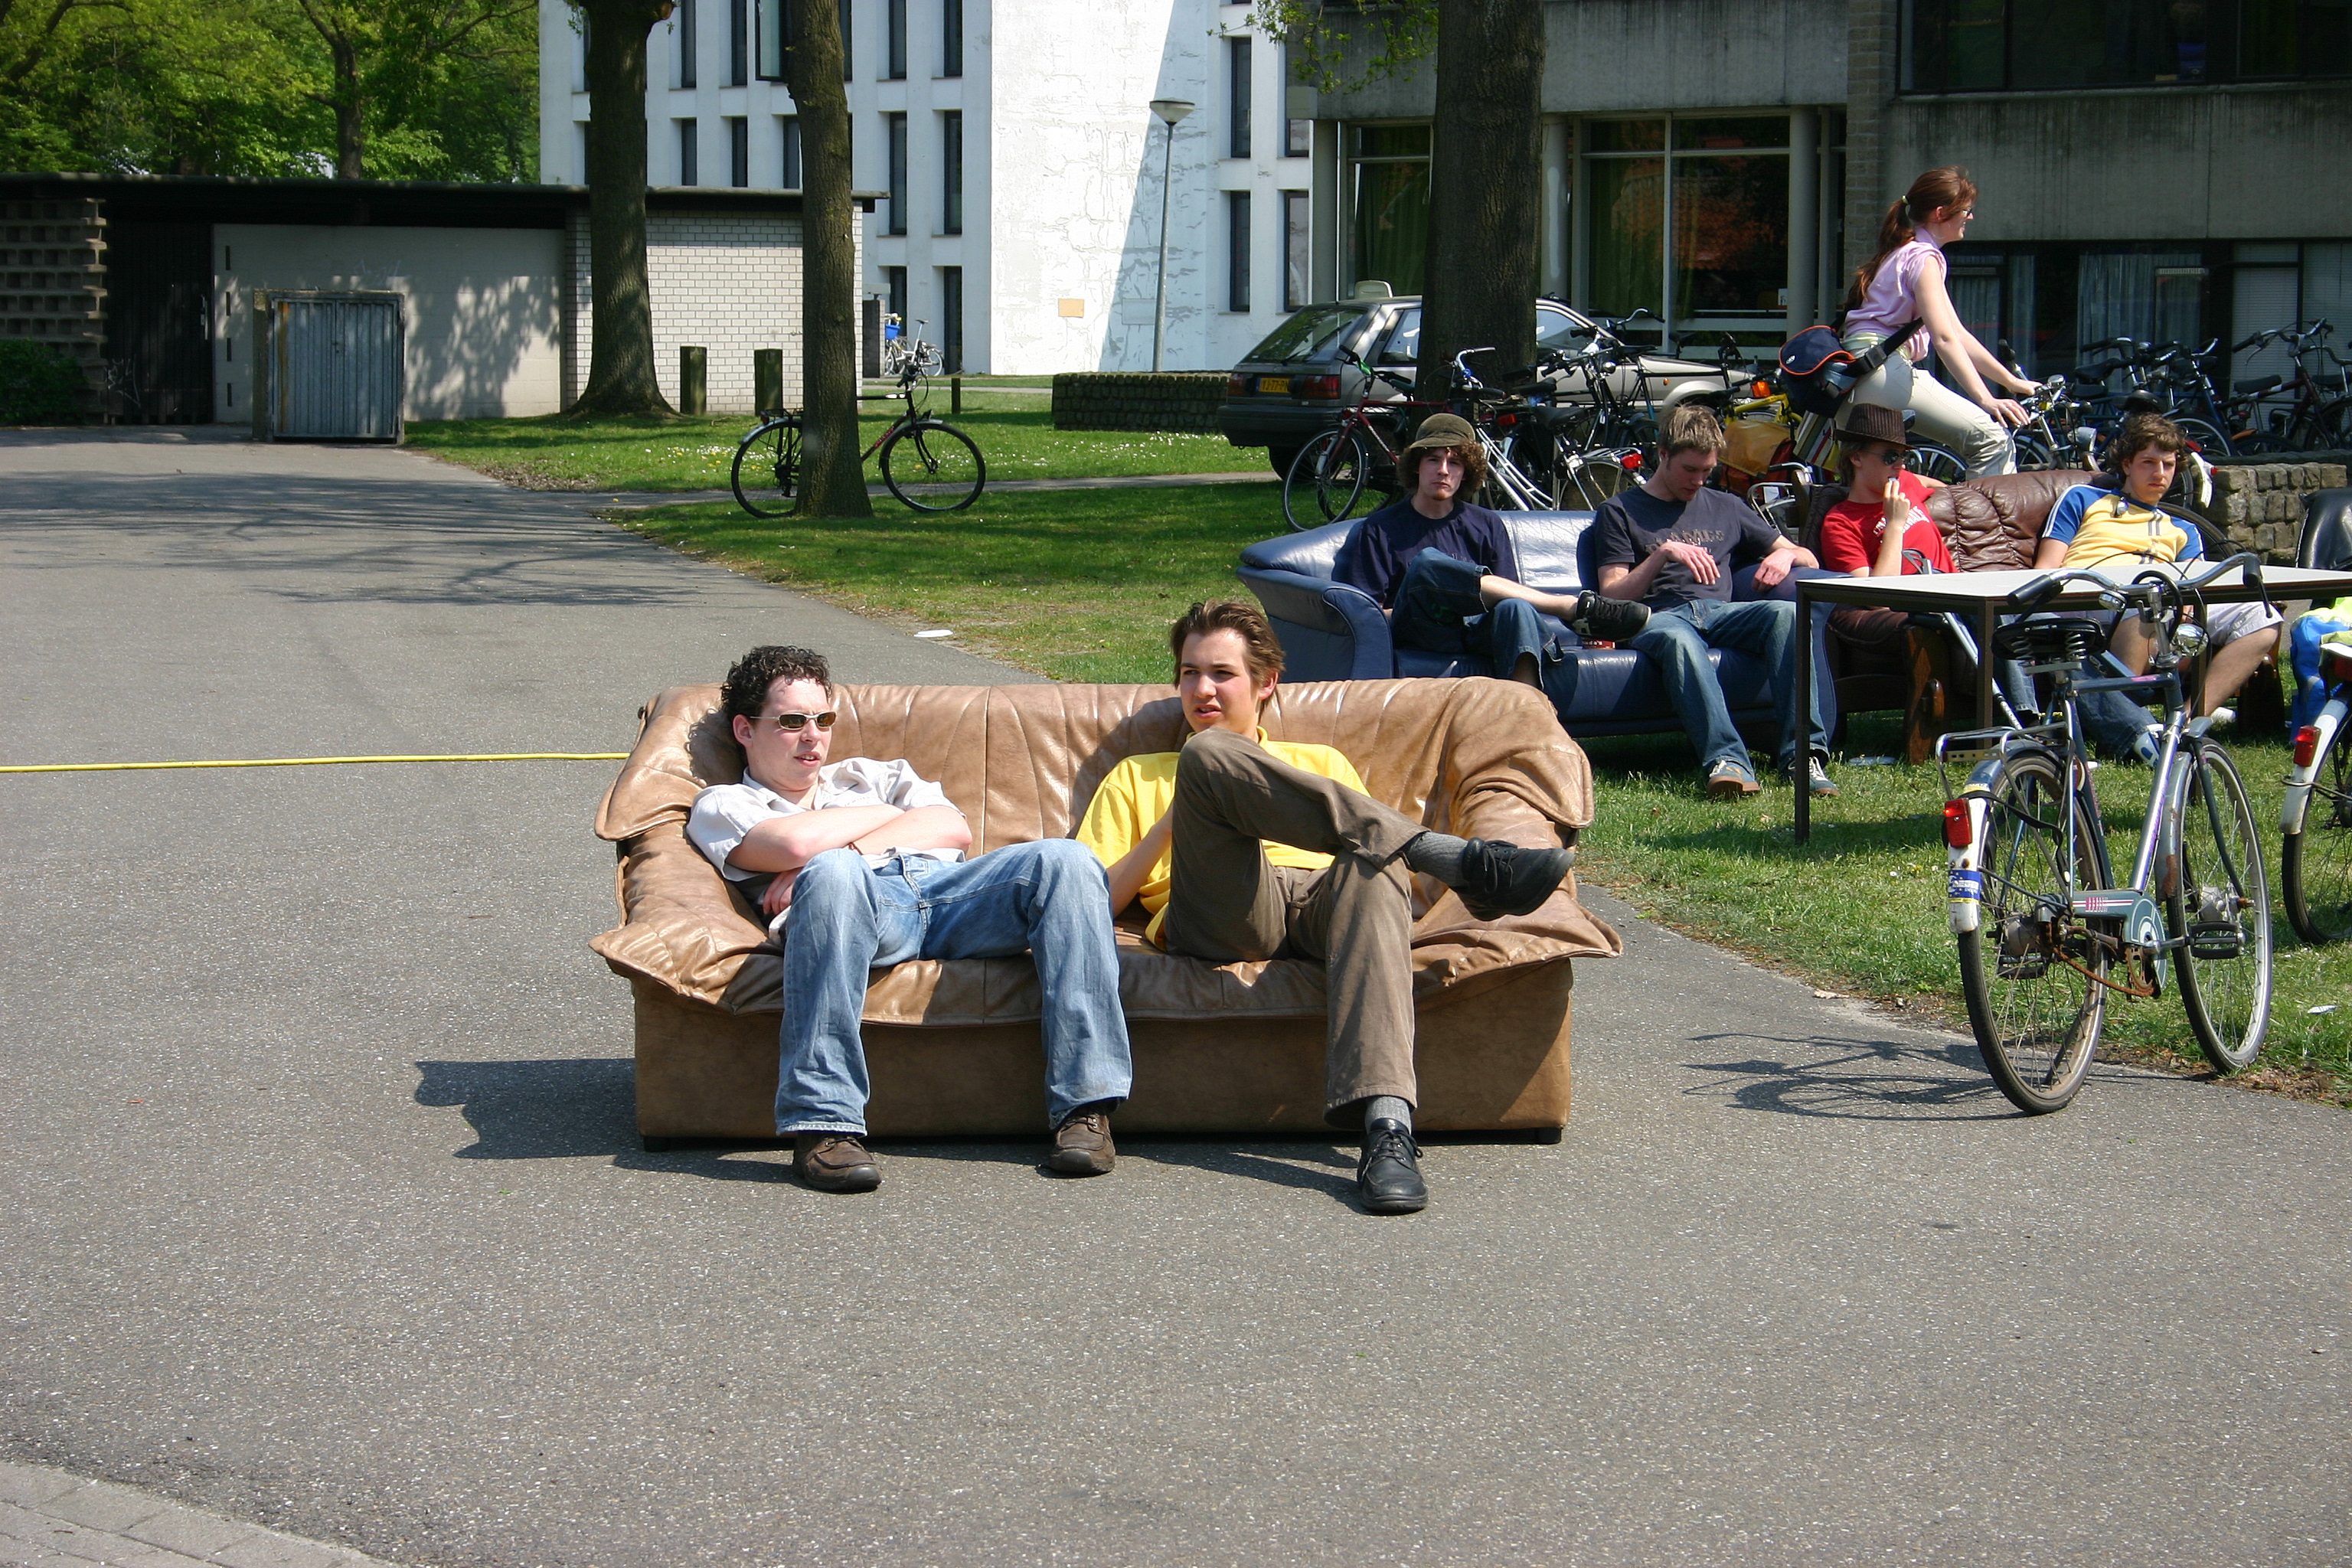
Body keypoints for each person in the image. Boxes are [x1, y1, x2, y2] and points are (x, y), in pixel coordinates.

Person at [1073, 599, 1575, 1216]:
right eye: (1189, 673)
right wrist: (1174, 824)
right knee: (1207, 756)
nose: (1202, 690)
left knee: (1376, 864)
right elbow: (1093, 900)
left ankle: (1388, 1130)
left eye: (1222, 674)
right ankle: (1446, 857)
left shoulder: (1321, 764)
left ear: (1266, 683)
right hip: (1221, 906)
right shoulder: (1139, 773)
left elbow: (1369, 857)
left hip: (1319, 899)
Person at [687, 645, 1135, 1192]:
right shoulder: (725, 804)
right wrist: (883, 820)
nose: (813, 737)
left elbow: (952, 828)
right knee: (830, 872)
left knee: (1067, 860)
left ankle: (1085, 1111)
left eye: (823, 720)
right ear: (745, 729)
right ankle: (825, 1126)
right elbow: (793, 844)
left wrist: (852, 841)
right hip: (862, 912)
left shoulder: (870, 774)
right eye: (792, 721)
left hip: (950, 895)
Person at [1590, 404, 1838, 799]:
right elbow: (1612, 595)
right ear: (1663, 454)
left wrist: (1786, 555)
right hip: (1656, 617)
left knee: (1789, 615)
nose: (1698, 481)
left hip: (1721, 613)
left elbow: (1809, 558)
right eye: (1690, 470)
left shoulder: (1727, 505)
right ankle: (1728, 761)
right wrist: (1662, 554)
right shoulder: (1619, 511)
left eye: (1707, 471)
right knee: (1680, 640)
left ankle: (1803, 757)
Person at [1333, 412, 1650, 683]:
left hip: (1477, 630)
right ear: (1416, 466)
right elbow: (1366, 616)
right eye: (1433, 459)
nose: (1443, 470)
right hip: (1422, 629)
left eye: (1455, 463)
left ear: (1466, 472)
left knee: (1516, 607)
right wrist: (1432, 593)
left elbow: (1508, 598)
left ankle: (1529, 711)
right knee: (1427, 564)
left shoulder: (1486, 524)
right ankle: (1568, 607)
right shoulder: (1380, 528)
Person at [2032, 413, 2283, 753]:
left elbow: (2194, 588)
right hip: (2090, 598)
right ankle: (2127, 719)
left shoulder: (2184, 528)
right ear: (2127, 465)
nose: (2159, 473)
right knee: (2147, 600)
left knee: (2262, 617)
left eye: (2168, 465)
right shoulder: (2083, 498)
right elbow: (2046, 569)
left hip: (2161, 601)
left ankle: (2186, 725)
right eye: (2148, 463)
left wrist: (2186, 619)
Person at [1841, 165, 2040, 479]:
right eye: (1966, 210)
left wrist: (2011, 382)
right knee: (1993, 441)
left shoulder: (1904, 252)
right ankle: (1984, 514)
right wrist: (1986, 399)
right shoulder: (1925, 258)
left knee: (1883, 478)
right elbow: (1944, 339)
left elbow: (1958, 333)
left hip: (1858, 372)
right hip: (1883, 369)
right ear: (1940, 213)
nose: (1970, 217)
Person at [1815, 403, 1953, 578]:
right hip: (1911, 595)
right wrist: (1894, 524)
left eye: (1903, 456)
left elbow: (1937, 486)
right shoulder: (1840, 525)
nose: (1901, 465)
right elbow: (1871, 593)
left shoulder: (1904, 480)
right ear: (1857, 457)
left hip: (1957, 589)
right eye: (1891, 456)